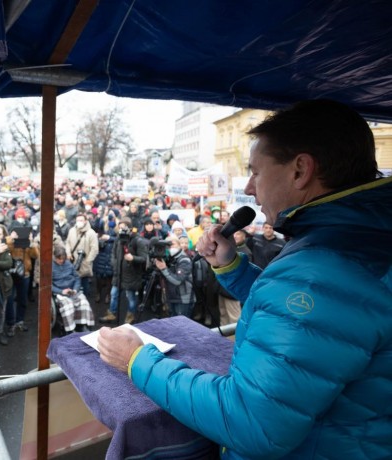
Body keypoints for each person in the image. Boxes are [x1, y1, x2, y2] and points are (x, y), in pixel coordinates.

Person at [97, 100, 392, 458]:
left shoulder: (322, 262)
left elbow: (252, 422)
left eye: (255, 171)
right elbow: (324, 320)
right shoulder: (361, 239)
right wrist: (232, 267)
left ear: (300, 170)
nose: (250, 187)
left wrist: (136, 359)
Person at [99, 217, 147, 325]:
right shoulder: (118, 239)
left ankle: (130, 316)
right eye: (119, 228)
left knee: (130, 297)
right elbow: (113, 253)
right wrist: (114, 263)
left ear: (130, 228)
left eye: (123, 228)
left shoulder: (137, 240)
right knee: (114, 294)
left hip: (131, 274)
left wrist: (133, 258)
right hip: (118, 273)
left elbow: (144, 258)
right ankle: (112, 313)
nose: (121, 230)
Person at [51, 246, 95, 334]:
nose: (61, 261)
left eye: (63, 259)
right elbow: (48, 285)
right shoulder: (50, 267)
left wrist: (75, 289)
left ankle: (82, 324)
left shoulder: (69, 264)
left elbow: (77, 278)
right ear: (55, 257)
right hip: (60, 292)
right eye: (59, 259)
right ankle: (70, 329)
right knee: (68, 305)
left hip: (72, 290)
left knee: (84, 302)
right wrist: (61, 291)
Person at [152, 235, 195, 318]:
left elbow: (178, 280)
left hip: (183, 299)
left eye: (172, 244)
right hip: (171, 297)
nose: (169, 247)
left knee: (182, 326)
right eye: (167, 245)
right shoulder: (168, 258)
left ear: (179, 246)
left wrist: (164, 268)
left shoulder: (184, 259)